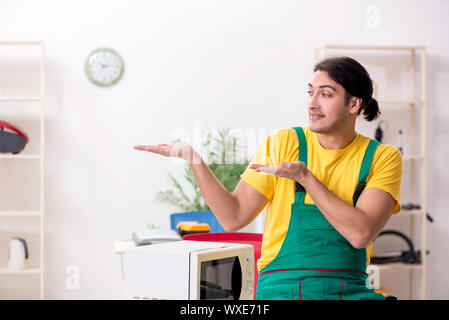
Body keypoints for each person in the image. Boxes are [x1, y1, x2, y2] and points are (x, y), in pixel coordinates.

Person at [134, 56, 402, 300]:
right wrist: (194, 159)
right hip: (279, 289)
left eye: (326, 94)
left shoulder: (382, 157)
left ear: (353, 104)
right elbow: (233, 216)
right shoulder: (284, 143)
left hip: (349, 289)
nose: (312, 103)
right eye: (310, 93)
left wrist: (306, 178)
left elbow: (360, 234)